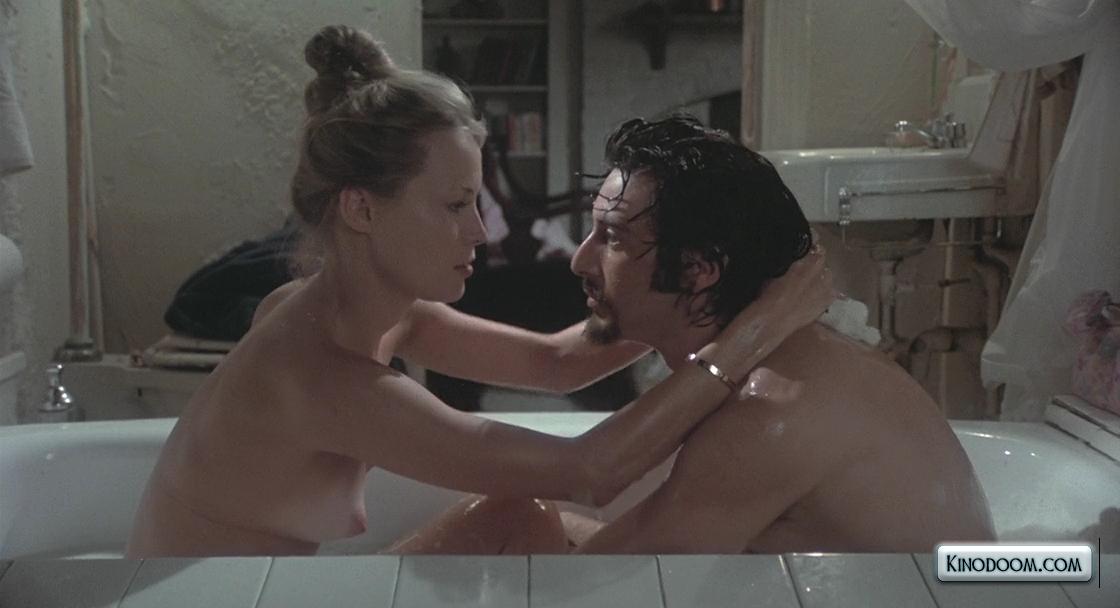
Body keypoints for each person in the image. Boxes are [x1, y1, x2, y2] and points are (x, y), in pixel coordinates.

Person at [124, 27, 833, 557]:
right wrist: (756, 330)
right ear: (361, 208)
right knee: (530, 520)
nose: (482, 232)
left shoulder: (354, 314)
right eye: (455, 205)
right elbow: (589, 471)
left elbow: (556, 363)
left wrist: (690, 293)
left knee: (525, 523)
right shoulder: (318, 375)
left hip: (260, 592)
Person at [397, 115, 996, 554]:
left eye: (611, 238)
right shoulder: (788, 353)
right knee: (519, 518)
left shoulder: (770, 413)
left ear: (697, 270)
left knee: (508, 522)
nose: (579, 260)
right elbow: (562, 367)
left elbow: (603, 586)